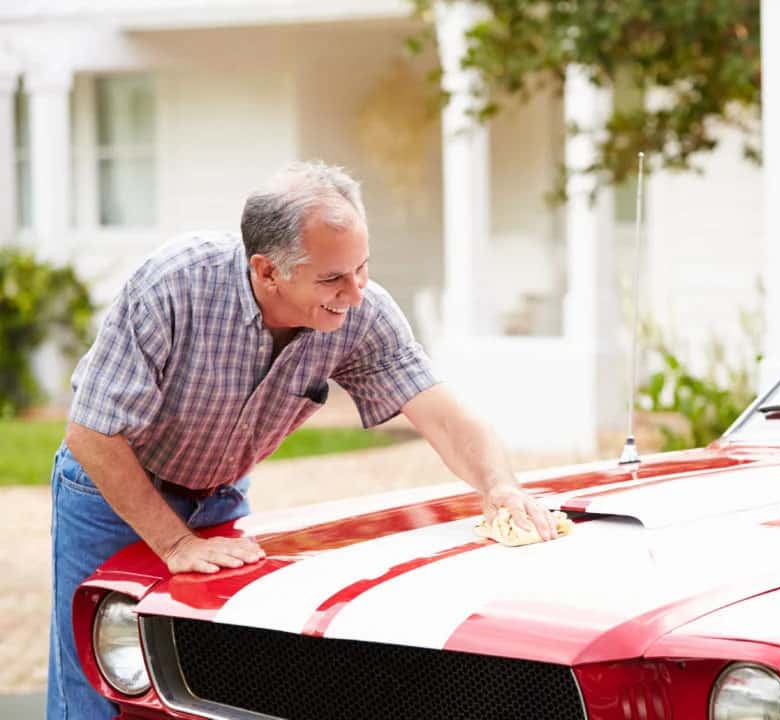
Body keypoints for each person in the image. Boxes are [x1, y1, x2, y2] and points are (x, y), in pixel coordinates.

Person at [47, 161, 557, 719]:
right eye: (333, 278)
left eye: (362, 268)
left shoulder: (363, 313)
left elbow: (440, 413)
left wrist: (499, 485)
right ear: (267, 272)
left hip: (219, 496)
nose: (355, 293)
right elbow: (92, 431)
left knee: (205, 686)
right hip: (108, 493)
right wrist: (175, 545)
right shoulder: (173, 283)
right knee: (100, 689)